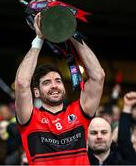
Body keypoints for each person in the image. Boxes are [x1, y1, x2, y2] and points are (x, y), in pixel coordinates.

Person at [15, 10, 105, 164]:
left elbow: (98, 76)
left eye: (58, 80)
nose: (54, 86)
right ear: (36, 92)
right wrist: (39, 39)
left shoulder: (80, 112)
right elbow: (22, 83)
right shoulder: (30, 118)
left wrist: (68, 31)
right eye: (46, 83)